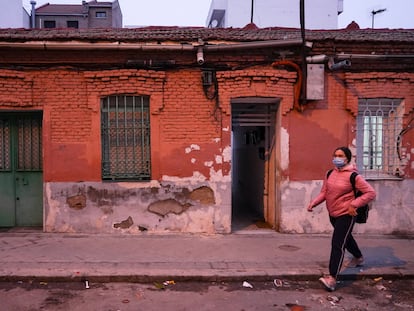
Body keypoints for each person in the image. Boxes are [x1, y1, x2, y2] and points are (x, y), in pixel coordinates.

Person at [307, 146, 376, 291]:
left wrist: (354, 204)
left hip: (347, 214)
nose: (337, 158)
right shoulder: (330, 173)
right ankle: (358, 257)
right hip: (333, 213)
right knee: (346, 237)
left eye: (341, 155)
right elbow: (324, 192)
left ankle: (332, 279)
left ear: (347, 158)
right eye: (335, 155)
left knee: (337, 243)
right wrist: (314, 202)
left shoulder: (353, 176)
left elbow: (370, 193)